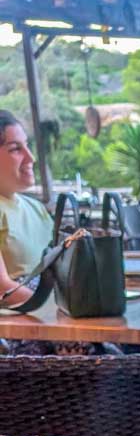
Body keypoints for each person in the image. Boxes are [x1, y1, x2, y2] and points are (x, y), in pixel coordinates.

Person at [0, 110, 53, 307]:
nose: (31, 158)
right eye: (15, 149)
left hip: (55, 315)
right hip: (22, 324)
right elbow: (3, 288)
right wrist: (55, 311)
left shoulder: (36, 208)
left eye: (27, 146)